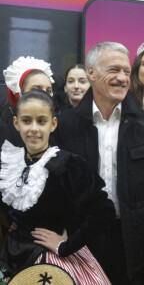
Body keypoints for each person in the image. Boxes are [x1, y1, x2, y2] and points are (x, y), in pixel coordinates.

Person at [54, 42, 144, 284]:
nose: (122, 78)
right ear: (92, 73)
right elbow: (56, 186)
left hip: (131, 241)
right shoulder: (65, 124)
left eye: (127, 72)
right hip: (80, 240)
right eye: (113, 70)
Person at [0, 90, 115, 283]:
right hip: (13, 254)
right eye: (27, 121)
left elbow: (105, 211)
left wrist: (66, 245)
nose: (34, 128)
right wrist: (11, 220)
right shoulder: (9, 162)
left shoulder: (68, 165)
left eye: (41, 121)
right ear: (16, 123)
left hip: (55, 260)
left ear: (53, 124)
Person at [0, 56, 54, 147]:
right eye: (36, 89)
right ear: (20, 92)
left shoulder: (60, 125)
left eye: (48, 91)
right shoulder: (4, 130)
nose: (44, 95)